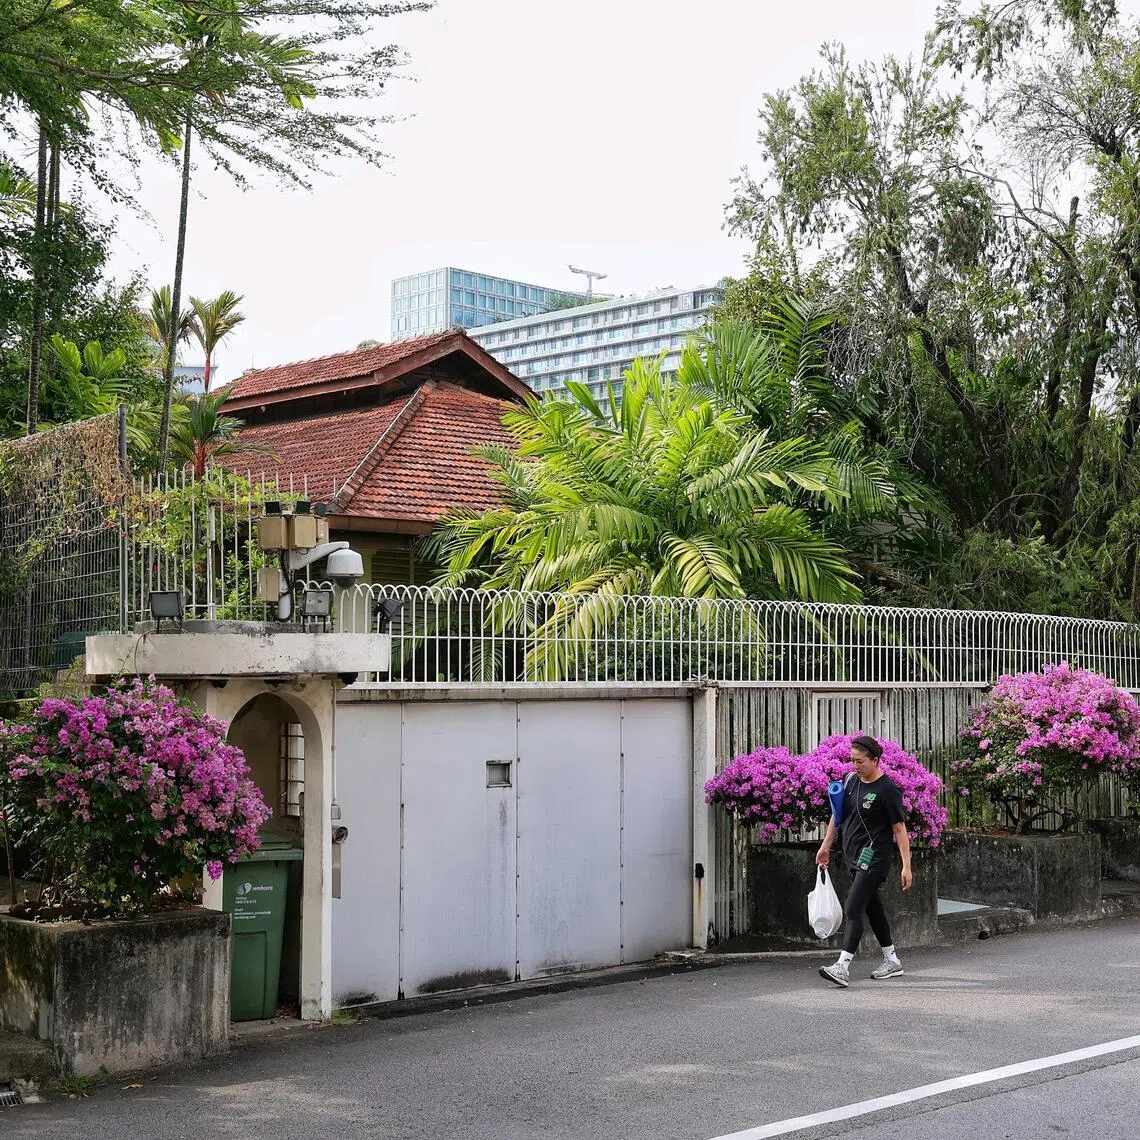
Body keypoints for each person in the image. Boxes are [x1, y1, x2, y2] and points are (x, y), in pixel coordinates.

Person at [815, 734, 912, 987]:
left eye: (860, 761)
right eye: (853, 760)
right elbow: (837, 815)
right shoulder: (850, 781)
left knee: (853, 907)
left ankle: (842, 966)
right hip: (852, 856)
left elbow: (900, 829)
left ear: (875, 760)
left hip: (875, 858)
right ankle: (892, 960)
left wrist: (906, 866)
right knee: (872, 908)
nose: (855, 766)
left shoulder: (887, 790)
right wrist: (826, 846)